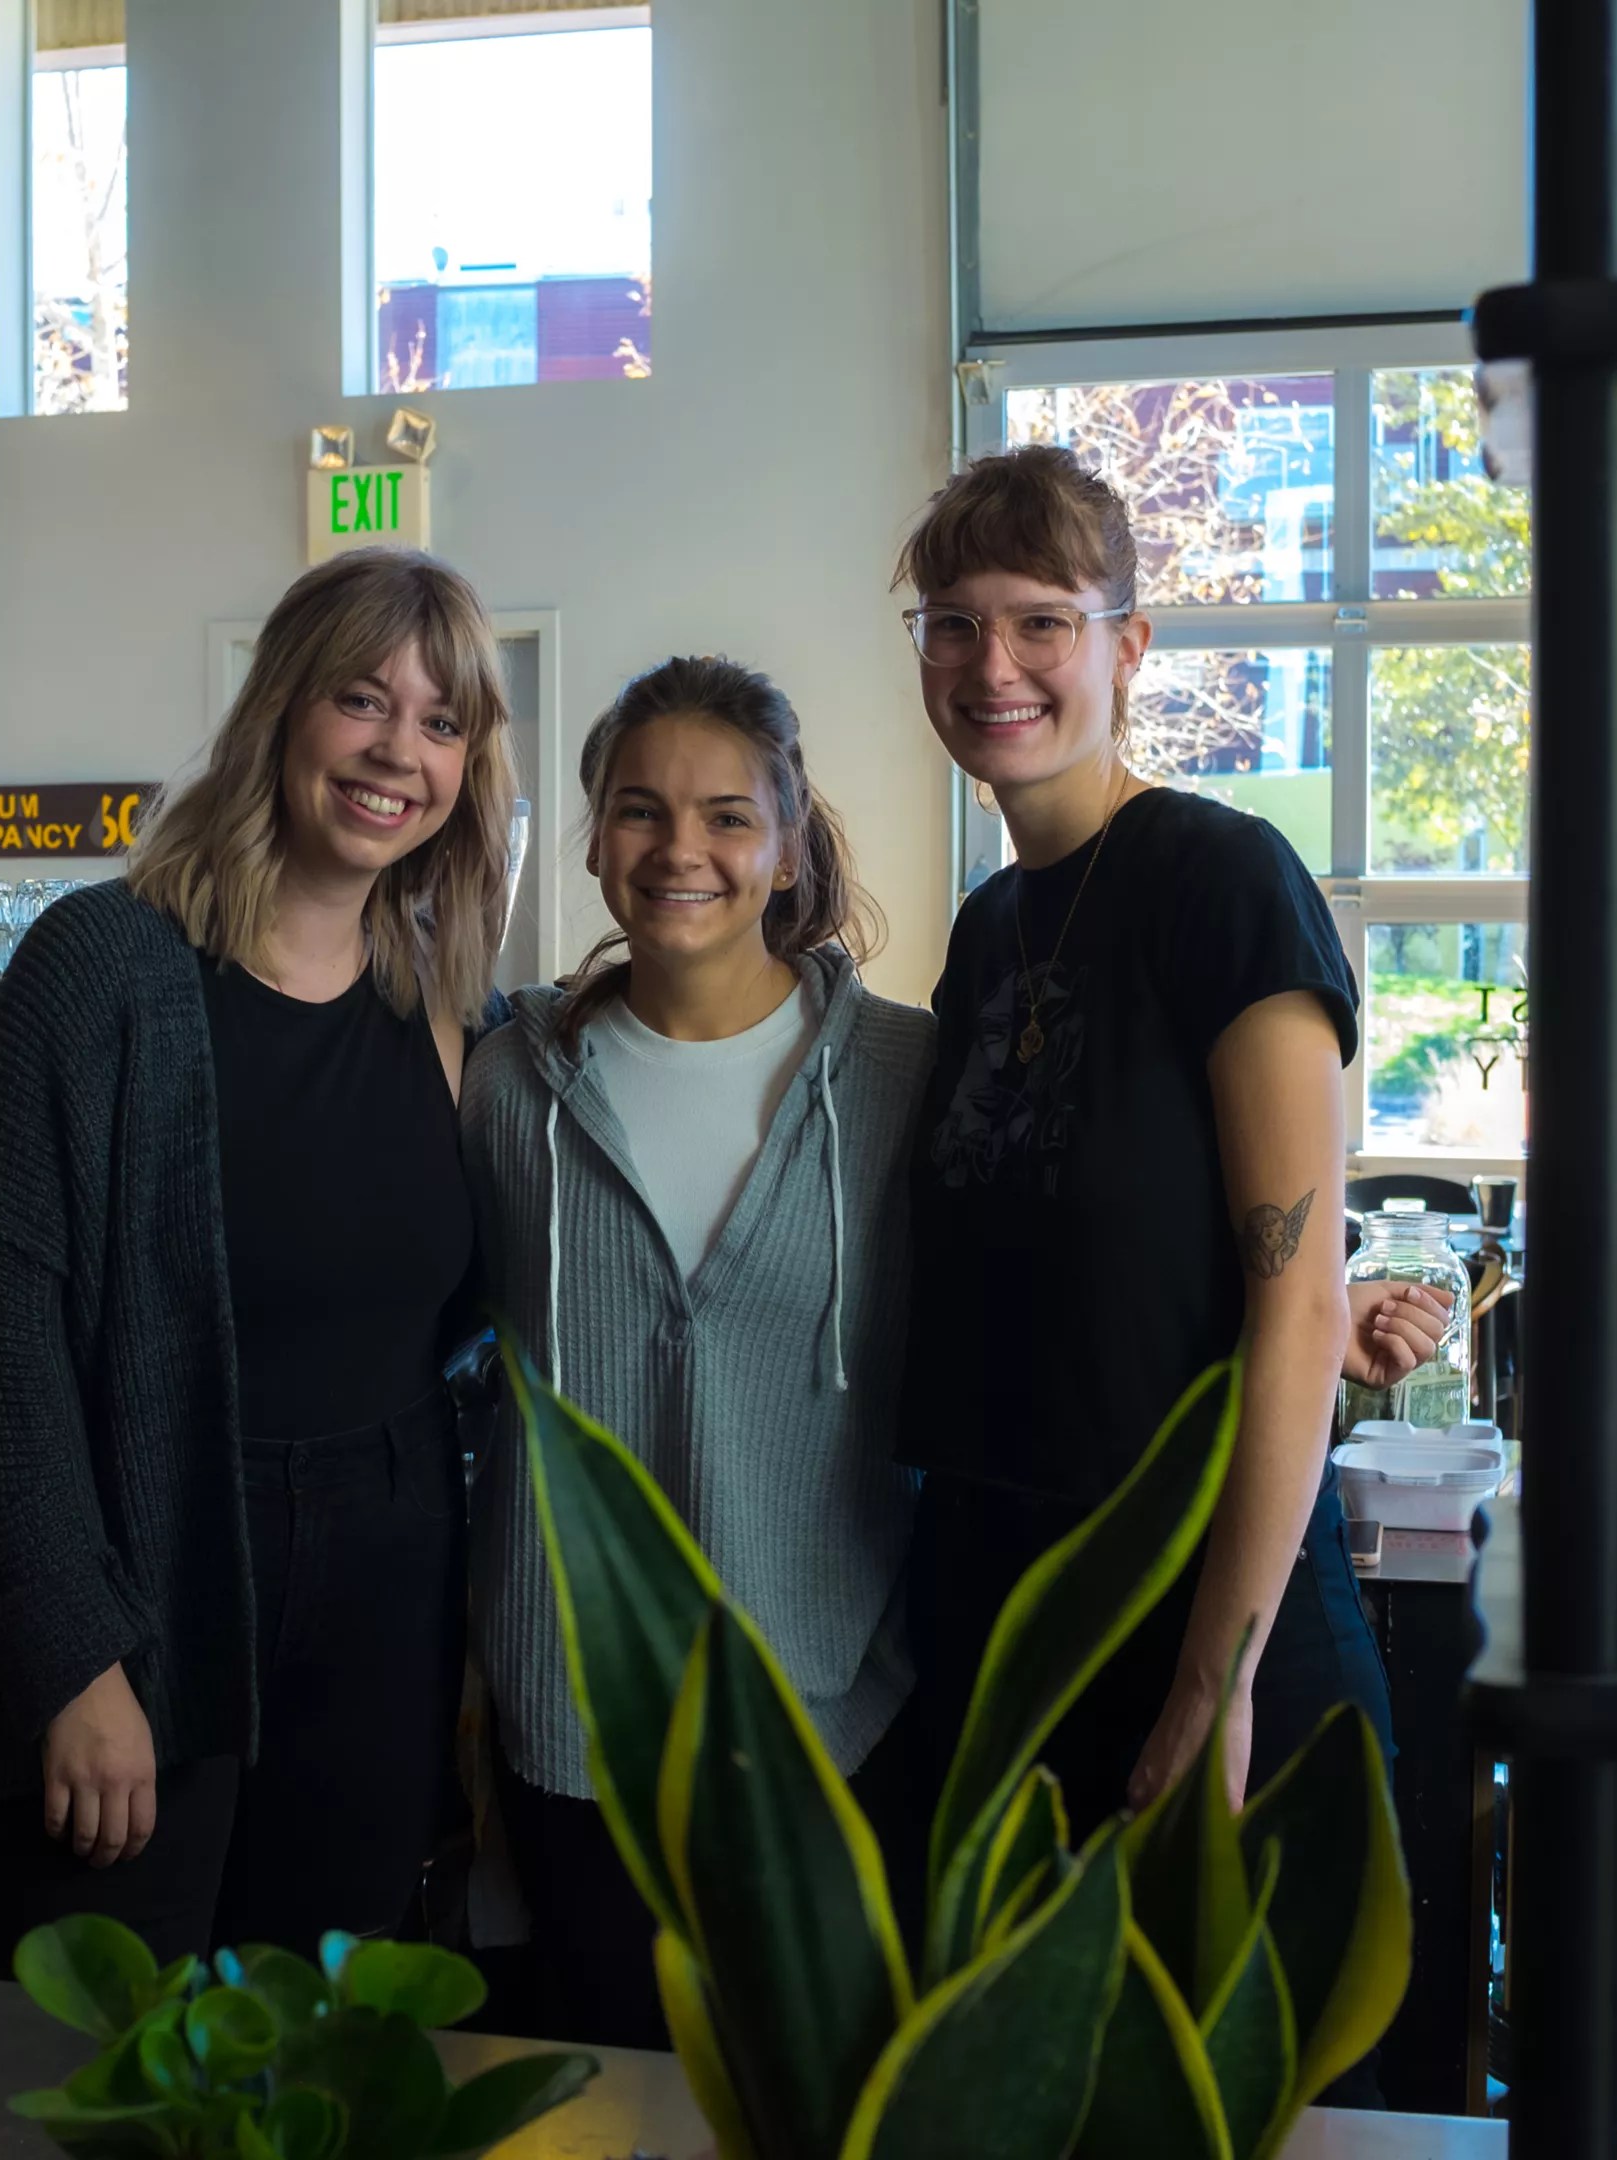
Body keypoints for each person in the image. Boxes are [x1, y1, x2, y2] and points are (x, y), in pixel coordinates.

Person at [0, 548, 516, 1969]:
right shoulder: (100, 970)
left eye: (441, 721)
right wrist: (70, 1660)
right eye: (362, 700)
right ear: (279, 708)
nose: (399, 751)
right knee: (109, 2053)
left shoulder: (440, 1006)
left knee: (324, 2043)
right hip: (145, 1599)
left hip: (381, 1625)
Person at [897, 445, 1445, 1830]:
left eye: (1042, 622)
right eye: (953, 624)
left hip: (1206, 1620)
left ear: (1128, 646)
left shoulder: (1222, 881)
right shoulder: (987, 931)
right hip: (1010, 1625)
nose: (992, 665)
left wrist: (1217, 1685)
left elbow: (1294, 1303)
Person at [462, 657, 928, 2048]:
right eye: (640, 809)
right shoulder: (503, 1084)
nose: (682, 849)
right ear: (594, 839)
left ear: (786, 845)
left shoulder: (903, 1079)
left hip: (828, 1717)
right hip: (574, 1727)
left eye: (728, 816)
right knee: (610, 2099)